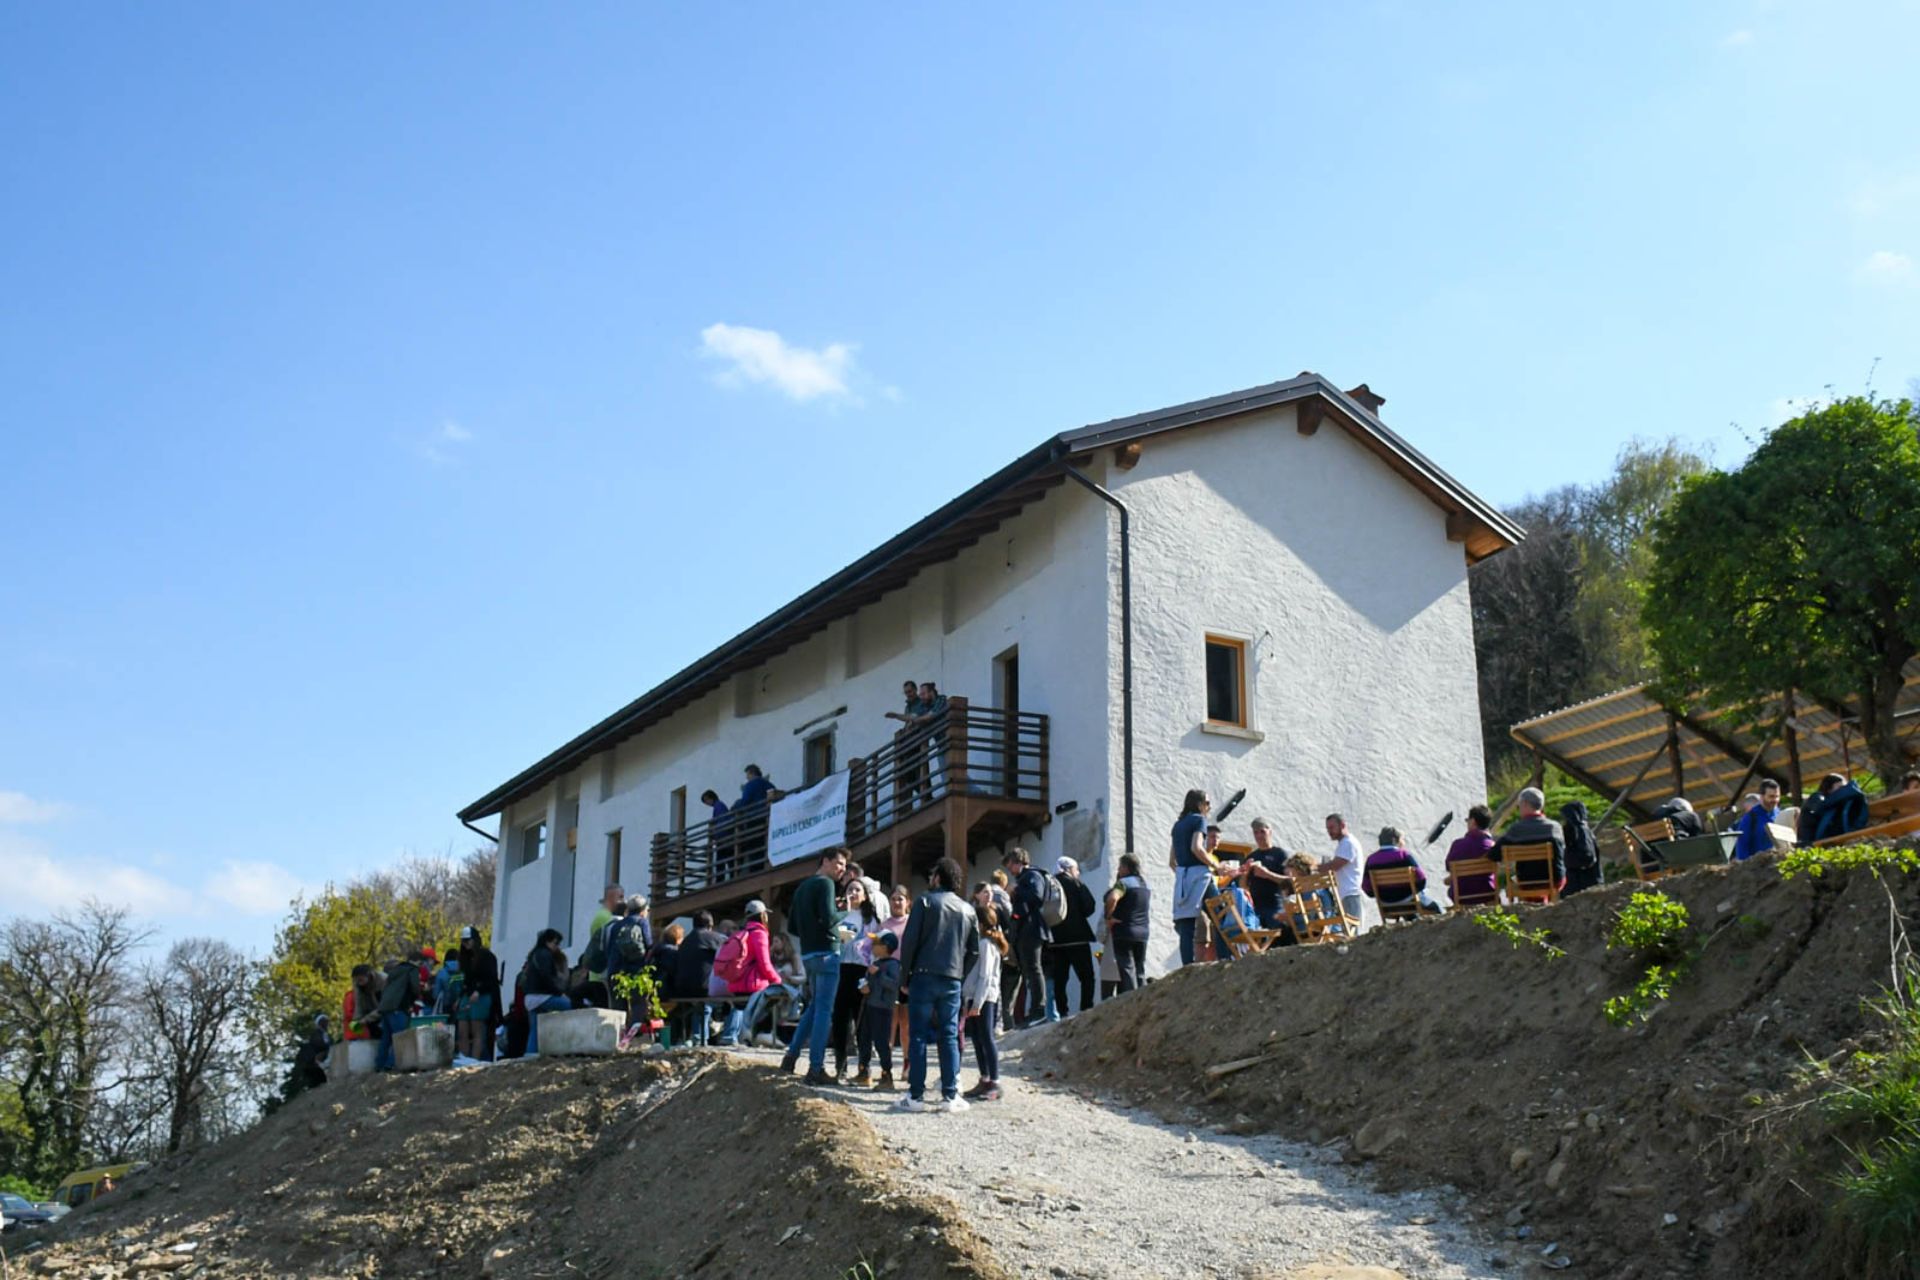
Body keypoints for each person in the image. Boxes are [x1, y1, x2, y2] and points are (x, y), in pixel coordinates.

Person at [897, 856, 980, 1113]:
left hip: (922, 976)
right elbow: (974, 951)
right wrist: (959, 975)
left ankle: (915, 1096)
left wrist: (905, 978)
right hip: (952, 978)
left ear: (937, 877)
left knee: (918, 1034)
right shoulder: (968, 909)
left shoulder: (924, 901)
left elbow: (909, 942)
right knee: (949, 1035)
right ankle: (949, 1095)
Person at [782, 846, 850, 1084]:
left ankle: (790, 1058)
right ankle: (816, 1068)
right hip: (827, 953)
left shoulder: (802, 887)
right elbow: (831, 918)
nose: (842, 869)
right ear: (826, 861)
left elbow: (791, 928)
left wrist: (811, 932)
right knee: (824, 1011)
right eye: (839, 863)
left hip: (809, 955)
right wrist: (846, 911)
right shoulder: (826, 885)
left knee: (813, 1008)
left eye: (844, 865)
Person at [832, 879, 882, 1079]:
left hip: (863, 972)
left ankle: (864, 1068)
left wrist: (874, 970)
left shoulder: (871, 920)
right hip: (842, 970)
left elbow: (877, 949)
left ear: (865, 895)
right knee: (840, 1020)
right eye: (850, 889)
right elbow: (843, 945)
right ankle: (840, 1066)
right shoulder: (840, 916)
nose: (853, 892)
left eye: (857, 889)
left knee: (862, 1022)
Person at [1003, 847, 1053, 1026]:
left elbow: (1036, 897)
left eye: (1010, 864)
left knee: (1034, 968)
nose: (1009, 869)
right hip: (1026, 929)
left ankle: (1038, 1011)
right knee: (1030, 970)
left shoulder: (1032, 875)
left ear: (1018, 861)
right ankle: (1034, 1011)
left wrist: (1016, 891)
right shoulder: (1025, 877)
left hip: (1032, 929)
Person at [963, 904, 1008, 1101]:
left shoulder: (986, 945)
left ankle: (995, 1082)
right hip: (974, 997)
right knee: (977, 1039)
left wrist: (977, 1004)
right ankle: (985, 1078)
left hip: (985, 998)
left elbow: (985, 976)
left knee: (987, 1038)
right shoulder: (981, 942)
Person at [1171, 790, 1221, 965]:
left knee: (1186, 924)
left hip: (1183, 876)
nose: (1209, 807)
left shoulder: (1178, 825)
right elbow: (1196, 847)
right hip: (1199, 874)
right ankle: (1225, 957)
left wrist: (1183, 874)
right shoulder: (1199, 820)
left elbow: (1172, 861)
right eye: (1207, 803)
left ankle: (1187, 965)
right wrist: (1217, 866)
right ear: (1199, 804)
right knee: (1220, 914)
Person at [1044, 857, 1098, 1015]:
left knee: (1060, 980)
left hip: (1055, 940)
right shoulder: (1076, 883)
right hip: (1078, 938)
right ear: (1068, 869)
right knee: (1086, 977)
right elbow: (1089, 907)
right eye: (1076, 869)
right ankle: (1086, 1009)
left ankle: (1062, 1012)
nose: (1078, 872)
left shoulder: (1049, 886)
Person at [853, 930, 902, 1090]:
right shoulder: (876, 963)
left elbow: (894, 985)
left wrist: (879, 974)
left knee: (881, 1042)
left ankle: (887, 1075)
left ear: (886, 947)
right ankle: (864, 1072)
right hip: (869, 1006)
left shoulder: (893, 965)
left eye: (876, 944)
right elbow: (870, 983)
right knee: (864, 1038)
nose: (872, 947)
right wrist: (865, 987)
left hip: (882, 1009)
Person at [1495, 788, 1566, 891]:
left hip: (1526, 882)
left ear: (1525, 803)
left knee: (1515, 882)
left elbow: (1495, 854)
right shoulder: (1555, 827)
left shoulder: (1516, 830)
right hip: (1555, 881)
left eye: (1519, 805)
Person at [367, 949, 425, 1072]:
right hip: (398, 1007)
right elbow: (415, 988)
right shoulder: (412, 969)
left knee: (386, 1038)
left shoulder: (397, 969)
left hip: (385, 1007)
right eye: (421, 963)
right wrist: (416, 997)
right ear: (418, 961)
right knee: (400, 1036)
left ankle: (379, 1065)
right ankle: (390, 1064)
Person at [674, 911, 725, 1047]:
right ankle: (712, 1035)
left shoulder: (685, 941)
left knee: (701, 1005)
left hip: (681, 988)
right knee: (732, 1000)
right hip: (702, 988)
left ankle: (701, 1034)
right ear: (710, 925)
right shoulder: (713, 938)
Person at [1103, 853, 1151, 992]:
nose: (1118, 870)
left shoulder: (1123, 883)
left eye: (1120, 867)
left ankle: (1131, 1001)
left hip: (1124, 931)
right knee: (1140, 970)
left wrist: (1108, 917)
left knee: (1127, 970)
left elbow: (1112, 898)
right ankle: (1143, 1000)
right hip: (1143, 932)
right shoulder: (1143, 884)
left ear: (1125, 867)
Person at [520, 930, 572, 1056]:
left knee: (535, 1028)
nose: (557, 947)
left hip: (530, 998)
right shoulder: (545, 955)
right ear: (548, 941)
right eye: (556, 943)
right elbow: (546, 978)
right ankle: (566, 1045)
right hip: (541, 996)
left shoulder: (535, 955)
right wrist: (559, 993)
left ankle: (530, 1053)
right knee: (569, 1006)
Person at [455, 926, 502, 1061]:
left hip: (482, 995)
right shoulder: (464, 958)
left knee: (477, 1030)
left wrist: (479, 990)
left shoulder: (487, 956)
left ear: (475, 940)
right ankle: (464, 1058)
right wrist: (459, 997)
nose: (465, 944)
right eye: (463, 941)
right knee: (462, 1029)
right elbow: (466, 980)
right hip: (468, 994)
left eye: (468, 940)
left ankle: (474, 1060)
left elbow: (491, 979)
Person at [1239, 818, 1293, 930]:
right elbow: (1243, 886)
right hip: (1255, 908)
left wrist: (1267, 874)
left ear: (1270, 832)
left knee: (1280, 939)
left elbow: (1291, 881)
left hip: (1276, 906)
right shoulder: (1251, 856)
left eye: (1262, 831)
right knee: (1257, 941)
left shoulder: (1280, 854)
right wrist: (1245, 872)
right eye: (1256, 832)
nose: (1259, 835)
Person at [1362, 827, 1428, 916]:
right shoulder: (1404, 855)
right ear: (1396, 840)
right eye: (1402, 839)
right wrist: (1414, 891)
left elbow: (1366, 886)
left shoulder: (1371, 860)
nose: (1404, 842)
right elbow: (1421, 878)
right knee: (1438, 909)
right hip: (1408, 901)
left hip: (1386, 903)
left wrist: (1378, 895)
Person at [1445, 805, 1501, 906]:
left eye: (1467, 820)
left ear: (1473, 821)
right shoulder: (1492, 847)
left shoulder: (1457, 845)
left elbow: (1448, 867)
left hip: (1461, 893)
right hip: (1487, 892)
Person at [1319, 813, 1365, 932]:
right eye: (1328, 828)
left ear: (1342, 825)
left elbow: (1335, 865)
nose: (1329, 831)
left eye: (1332, 827)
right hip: (1345, 894)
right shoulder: (1344, 844)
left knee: (1353, 933)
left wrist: (1314, 868)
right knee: (1348, 932)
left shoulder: (1348, 843)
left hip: (1351, 894)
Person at [909, 680, 952, 804]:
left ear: (931, 692)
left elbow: (928, 717)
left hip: (951, 742)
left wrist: (916, 719)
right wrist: (901, 717)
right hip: (942, 745)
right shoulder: (926, 706)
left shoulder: (941, 700)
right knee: (947, 776)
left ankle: (979, 794)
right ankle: (954, 797)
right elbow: (915, 716)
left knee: (955, 775)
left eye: (923, 694)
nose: (921, 697)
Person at [1801, 773, 1870, 843]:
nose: (1843, 791)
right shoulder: (1817, 798)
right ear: (1828, 789)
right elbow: (1821, 806)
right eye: (1840, 788)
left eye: (1844, 788)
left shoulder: (1841, 804)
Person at [584, 883, 625, 998]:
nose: (623, 901)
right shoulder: (605, 918)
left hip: (599, 974)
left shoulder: (602, 915)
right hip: (602, 974)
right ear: (611, 897)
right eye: (620, 897)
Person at [1561, 801, 1602, 895]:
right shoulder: (1581, 830)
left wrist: (1565, 860)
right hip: (1584, 881)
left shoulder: (1581, 831)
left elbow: (1587, 857)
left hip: (1582, 884)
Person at [291, 1015, 331, 1095]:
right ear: (320, 1023)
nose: (327, 1024)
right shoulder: (317, 1033)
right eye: (324, 1022)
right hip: (313, 1063)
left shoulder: (325, 1034)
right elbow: (318, 1044)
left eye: (327, 1022)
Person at [343, 964, 380, 1041]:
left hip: (371, 1018)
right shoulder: (353, 994)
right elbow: (355, 1010)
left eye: (360, 980)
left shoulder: (381, 982)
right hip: (359, 1029)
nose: (358, 982)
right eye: (356, 980)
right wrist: (357, 1024)